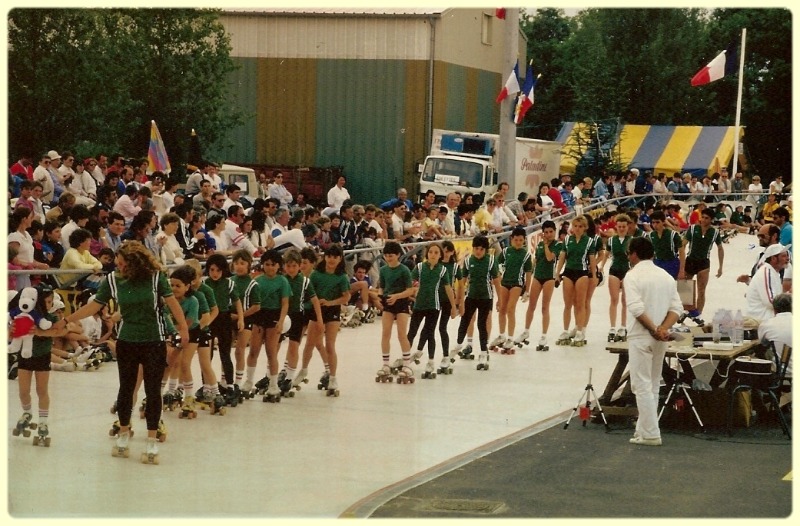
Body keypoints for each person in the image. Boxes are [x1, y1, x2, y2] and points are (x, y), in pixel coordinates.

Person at [62, 241, 188, 462]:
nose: (118, 267)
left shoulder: (156, 278)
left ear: (134, 263)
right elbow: (94, 306)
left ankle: (150, 440)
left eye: (122, 264)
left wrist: (183, 328)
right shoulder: (113, 280)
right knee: (126, 388)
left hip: (154, 339)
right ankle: (123, 432)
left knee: (152, 389)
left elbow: (172, 304)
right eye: (117, 264)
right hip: (127, 340)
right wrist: (67, 319)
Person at [624, 236, 683, 446]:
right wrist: (663, 329)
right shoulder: (666, 276)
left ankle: (650, 433)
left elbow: (636, 308)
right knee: (653, 383)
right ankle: (643, 429)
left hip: (642, 334)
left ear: (634, 254)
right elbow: (677, 308)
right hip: (661, 335)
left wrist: (653, 329)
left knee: (641, 385)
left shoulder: (632, 276)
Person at [10, 284, 67, 445]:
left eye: (51, 302)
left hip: (42, 356)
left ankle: (43, 420)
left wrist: (41, 332)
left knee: (41, 390)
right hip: (25, 356)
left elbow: (61, 331)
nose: (49, 305)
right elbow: (11, 334)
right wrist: (12, 329)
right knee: (23, 391)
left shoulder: (50, 318)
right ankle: (27, 413)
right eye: (46, 302)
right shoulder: (25, 314)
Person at [406, 243, 457, 379]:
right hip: (419, 305)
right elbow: (410, 282)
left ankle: (430, 362)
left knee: (430, 333)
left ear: (440, 255)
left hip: (434, 306)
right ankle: (405, 360)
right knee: (411, 332)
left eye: (436, 253)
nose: (433, 255)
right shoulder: (420, 267)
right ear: (426, 254)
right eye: (430, 252)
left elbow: (448, 289)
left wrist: (453, 306)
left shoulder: (442, 270)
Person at [451, 235, 500, 369]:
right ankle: (459, 346)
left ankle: (484, 352)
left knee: (481, 324)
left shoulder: (490, 261)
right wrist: (459, 300)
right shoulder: (468, 261)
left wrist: (500, 300)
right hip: (471, 297)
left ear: (486, 250)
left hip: (486, 298)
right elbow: (463, 281)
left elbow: (496, 281)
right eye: (476, 249)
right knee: (465, 321)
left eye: (481, 249)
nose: (478, 251)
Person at [280, 248, 324, 392]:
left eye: (294, 266)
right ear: (284, 266)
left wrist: (320, 319)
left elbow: (315, 300)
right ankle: (274, 375)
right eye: (288, 266)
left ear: (299, 266)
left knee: (293, 346)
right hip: (280, 316)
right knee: (275, 346)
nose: (291, 269)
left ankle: (289, 377)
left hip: (297, 316)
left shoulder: (304, 281)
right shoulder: (281, 279)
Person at [203, 254, 244, 396]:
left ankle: (230, 384)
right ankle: (206, 385)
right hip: (209, 319)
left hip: (224, 319)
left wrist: (241, 318)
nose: (215, 274)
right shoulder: (205, 284)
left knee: (225, 353)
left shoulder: (229, 283)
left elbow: (237, 301)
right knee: (206, 354)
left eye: (218, 270)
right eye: (212, 270)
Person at [374, 241, 416, 383]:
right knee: (385, 333)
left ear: (398, 255)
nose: (388, 258)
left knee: (401, 334)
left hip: (401, 303)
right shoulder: (384, 270)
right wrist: (380, 296)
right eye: (386, 255)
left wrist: (397, 296)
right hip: (388, 303)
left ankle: (407, 364)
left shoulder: (404, 270)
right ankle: (385, 364)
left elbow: (410, 290)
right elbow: (382, 287)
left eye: (391, 255)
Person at [554, 215, 597, 346]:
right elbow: (562, 257)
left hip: (582, 273)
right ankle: (565, 330)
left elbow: (592, 260)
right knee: (568, 304)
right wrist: (557, 273)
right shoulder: (567, 240)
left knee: (580, 303)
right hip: (568, 272)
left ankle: (580, 331)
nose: (577, 229)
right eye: (575, 226)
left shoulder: (589, 241)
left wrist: (594, 275)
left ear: (585, 228)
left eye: (580, 227)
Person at [678, 208, 724, 325]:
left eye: (706, 218)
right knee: (686, 288)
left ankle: (698, 314)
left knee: (701, 290)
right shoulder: (693, 229)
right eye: (702, 217)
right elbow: (684, 244)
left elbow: (720, 248)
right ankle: (688, 310)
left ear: (711, 220)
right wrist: (681, 260)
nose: (703, 220)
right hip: (690, 260)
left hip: (704, 262)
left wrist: (720, 266)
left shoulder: (714, 232)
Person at [490, 227, 532, 352]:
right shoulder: (505, 251)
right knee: (502, 309)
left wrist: (527, 291)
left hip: (517, 284)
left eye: (521, 240)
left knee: (510, 309)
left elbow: (528, 273)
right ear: (511, 239)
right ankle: (502, 335)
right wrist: (499, 273)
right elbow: (497, 265)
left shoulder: (526, 255)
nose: (518, 242)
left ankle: (510, 337)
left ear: (524, 240)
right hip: (504, 283)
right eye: (516, 240)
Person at [603, 214, 632, 343]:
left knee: (625, 301)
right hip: (614, 270)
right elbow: (607, 254)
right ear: (616, 227)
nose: (621, 229)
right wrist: (601, 266)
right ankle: (612, 327)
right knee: (614, 300)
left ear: (627, 227)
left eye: (623, 227)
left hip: (627, 271)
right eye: (619, 226)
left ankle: (623, 326)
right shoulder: (611, 240)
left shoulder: (632, 240)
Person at [746, 243, 789, 321]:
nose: (787, 259)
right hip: (761, 319)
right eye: (783, 256)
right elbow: (771, 302)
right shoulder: (766, 272)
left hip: (768, 317)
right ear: (773, 259)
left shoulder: (773, 272)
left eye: (787, 255)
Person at [757, 293, 792, 377]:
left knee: (760, 351)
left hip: (783, 371)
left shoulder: (767, 324)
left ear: (774, 309)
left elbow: (762, 343)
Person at [646, 210, 683, 279]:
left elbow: (681, 252)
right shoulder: (651, 236)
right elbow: (650, 253)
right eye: (653, 222)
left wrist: (681, 270)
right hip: (657, 263)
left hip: (672, 263)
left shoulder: (673, 235)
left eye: (657, 222)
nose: (655, 225)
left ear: (663, 222)